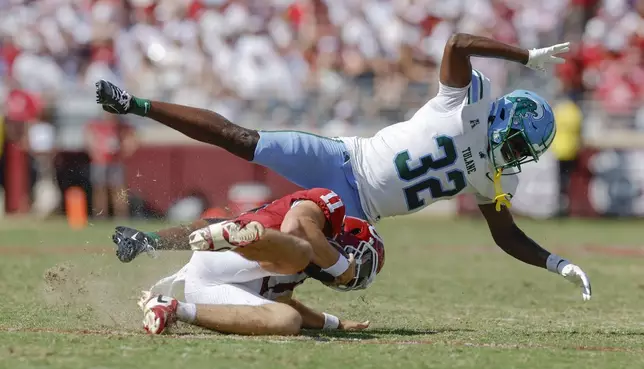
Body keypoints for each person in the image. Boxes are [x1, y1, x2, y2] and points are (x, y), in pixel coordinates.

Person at [96, 33, 591, 300]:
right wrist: (524, 55)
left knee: (263, 235)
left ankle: (150, 243)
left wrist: (558, 262)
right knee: (241, 140)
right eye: (519, 142)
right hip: (343, 157)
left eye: (525, 149)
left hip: (356, 211)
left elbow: (505, 235)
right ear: (504, 118)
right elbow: (458, 44)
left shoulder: (495, 176)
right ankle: (135, 104)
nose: (516, 154)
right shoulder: (465, 102)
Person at [112, 190, 385, 335]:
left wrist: (334, 323)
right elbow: (296, 225)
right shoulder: (329, 205)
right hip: (228, 256)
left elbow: (285, 302)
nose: (356, 275)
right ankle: (241, 239)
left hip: (206, 285)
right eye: (361, 263)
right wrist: (342, 268)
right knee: (300, 250)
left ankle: (172, 308)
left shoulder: (297, 273)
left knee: (286, 320)